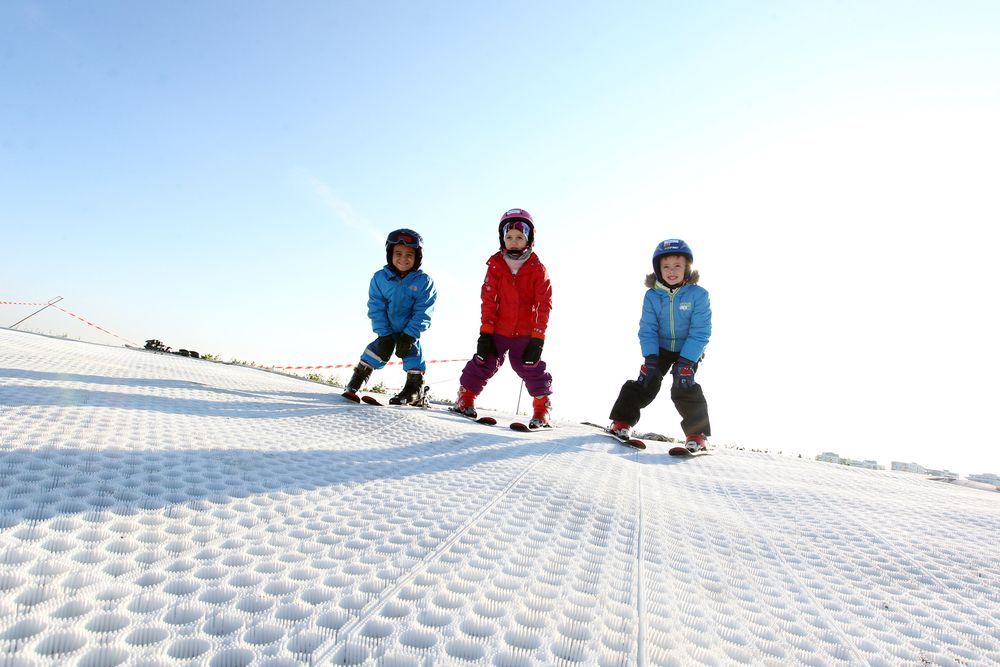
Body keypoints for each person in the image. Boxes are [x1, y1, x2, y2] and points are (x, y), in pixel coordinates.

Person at [453, 208, 554, 427]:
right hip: (498, 328)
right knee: (484, 360)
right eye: (509, 237)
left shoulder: (538, 269)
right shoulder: (496, 266)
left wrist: (538, 337)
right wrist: (485, 332)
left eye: (519, 237)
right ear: (502, 239)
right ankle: (465, 397)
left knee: (528, 366)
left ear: (529, 239)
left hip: (525, 331)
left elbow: (544, 304)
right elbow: (489, 300)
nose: (514, 242)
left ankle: (542, 408)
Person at [608, 239, 712, 451]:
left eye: (677, 266)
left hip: (688, 349)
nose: (671, 271)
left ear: (687, 268)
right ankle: (621, 422)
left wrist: (687, 361)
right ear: (658, 269)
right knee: (646, 381)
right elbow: (647, 328)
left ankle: (697, 435)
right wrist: (651, 358)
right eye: (666, 267)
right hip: (660, 348)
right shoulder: (652, 296)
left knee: (684, 385)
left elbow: (701, 331)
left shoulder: (698, 295)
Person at [343, 229, 437, 405]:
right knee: (375, 350)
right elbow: (376, 307)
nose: (403, 259)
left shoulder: (424, 282)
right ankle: (357, 381)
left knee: (412, 354)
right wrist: (384, 333)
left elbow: (423, 312)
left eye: (409, 255)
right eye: (398, 253)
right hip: (387, 328)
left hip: (409, 331)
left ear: (418, 257)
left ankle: (414, 389)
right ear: (390, 255)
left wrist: (410, 335)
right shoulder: (380, 278)